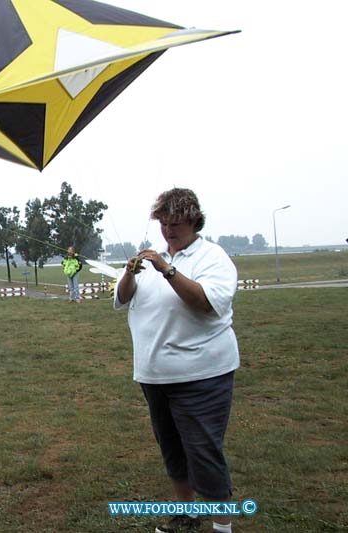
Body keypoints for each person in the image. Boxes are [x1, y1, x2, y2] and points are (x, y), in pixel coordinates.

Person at [114, 188, 240, 533]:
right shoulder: (151, 259)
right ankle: (185, 517)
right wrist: (129, 274)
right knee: (172, 451)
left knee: (203, 451)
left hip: (202, 375)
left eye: (176, 224)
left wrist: (167, 270)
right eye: (164, 224)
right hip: (154, 376)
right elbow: (123, 299)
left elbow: (205, 302)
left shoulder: (211, 257)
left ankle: (222, 526)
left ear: (194, 221)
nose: (169, 231)